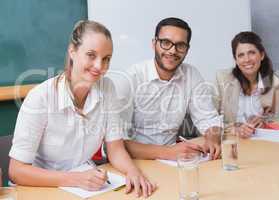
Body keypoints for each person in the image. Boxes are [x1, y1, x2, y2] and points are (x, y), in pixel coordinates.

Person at [8, 20, 155, 198]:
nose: (99, 66)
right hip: (40, 191)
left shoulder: (107, 87)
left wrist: (133, 171)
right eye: (91, 55)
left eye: (106, 59)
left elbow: (115, 149)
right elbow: (17, 171)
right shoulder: (40, 98)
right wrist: (75, 179)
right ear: (72, 51)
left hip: (83, 190)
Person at [120, 17, 222, 160]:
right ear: (154, 43)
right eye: (165, 43)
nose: (173, 51)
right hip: (135, 162)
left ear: (187, 49)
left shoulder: (191, 74)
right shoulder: (132, 78)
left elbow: (208, 118)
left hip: (172, 161)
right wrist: (168, 152)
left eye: (180, 45)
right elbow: (117, 143)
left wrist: (213, 138)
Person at [216, 31, 279, 138]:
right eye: (241, 55)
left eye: (252, 53)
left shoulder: (273, 81)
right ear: (236, 60)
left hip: (261, 141)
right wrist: (235, 130)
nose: (247, 59)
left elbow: (277, 119)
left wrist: (264, 122)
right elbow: (209, 118)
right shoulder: (223, 79)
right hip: (232, 142)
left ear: (262, 55)